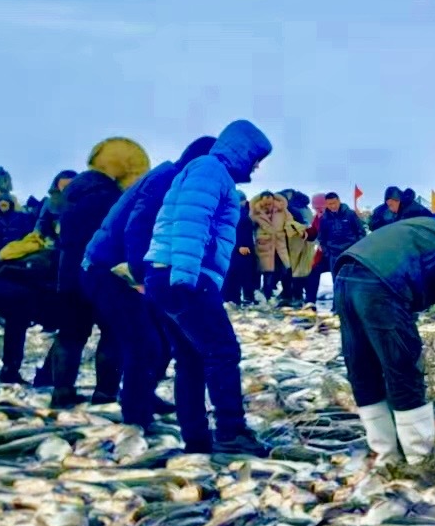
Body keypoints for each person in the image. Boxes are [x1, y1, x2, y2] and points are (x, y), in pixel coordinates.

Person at [143, 121, 274, 456]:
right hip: (183, 275)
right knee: (222, 352)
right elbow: (192, 219)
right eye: (255, 158)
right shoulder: (210, 170)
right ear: (241, 151)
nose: (256, 166)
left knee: (191, 359)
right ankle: (231, 433)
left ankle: (197, 440)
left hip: (169, 275)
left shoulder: (207, 171)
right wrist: (186, 277)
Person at [82, 135, 217, 430]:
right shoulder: (167, 180)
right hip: (109, 270)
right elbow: (138, 229)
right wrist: (144, 279)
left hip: (131, 271)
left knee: (165, 339)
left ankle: (143, 396)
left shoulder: (178, 180)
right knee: (144, 344)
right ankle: (135, 416)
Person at [335, 217, 435, 465]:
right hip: (384, 283)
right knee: (403, 368)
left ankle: (385, 453)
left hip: (347, 272)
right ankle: (419, 457)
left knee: (362, 366)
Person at [47, 138, 150, 409]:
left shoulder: (71, 194)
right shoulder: (110, 197)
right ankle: (105, 393)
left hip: (68, 274)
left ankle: (62, 392)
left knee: (70, 333)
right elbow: (120, 238)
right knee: (112, 331)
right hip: (101, 275)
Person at [0, 249, 61, 386]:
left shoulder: (40, 255)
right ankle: (41, 375)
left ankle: (10, 372)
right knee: (18, 326)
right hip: (10, 291)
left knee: (15, 327)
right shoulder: (56, 259)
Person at [309, 193, 366, 306]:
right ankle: (337, 306)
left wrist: (357, 249)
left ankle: (352, 306)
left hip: (349, 253)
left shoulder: (350, 214)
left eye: (334, 203)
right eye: (329, 204)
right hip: (333, 254)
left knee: (351, 280)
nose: (332, 206)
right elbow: (322, 237)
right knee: (336, 280)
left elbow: (360, 232)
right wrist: (327, 252)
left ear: (339, 201)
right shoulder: (325, 217)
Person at [252, 193, 289, 302]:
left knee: (283, 271)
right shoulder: (255, 213)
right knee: (267, 272)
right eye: (266, 202)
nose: (268, 205)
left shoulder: (282, 211)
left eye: (270, 202)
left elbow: (289, 224)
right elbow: (250, 228)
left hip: (279, 247)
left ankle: (276, 294)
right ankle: (265, 296)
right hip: (264, 247)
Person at [224, 200, 259, 305]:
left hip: (239, 249)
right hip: (243, 249)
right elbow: (235, 231)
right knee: (242, 274)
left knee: (237, 274)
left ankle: (235, 298)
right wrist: (240, 246)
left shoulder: (234, 213)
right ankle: (238, 298)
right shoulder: (242, 215)